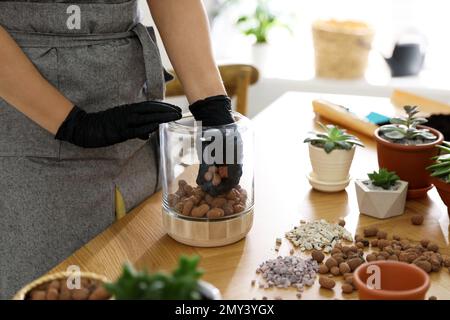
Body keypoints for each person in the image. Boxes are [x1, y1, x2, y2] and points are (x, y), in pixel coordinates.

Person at [0, 0, 237, 299]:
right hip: (26, 137)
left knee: (142, 276)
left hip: (132, 138)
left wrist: (213, 109)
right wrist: (73, 124)